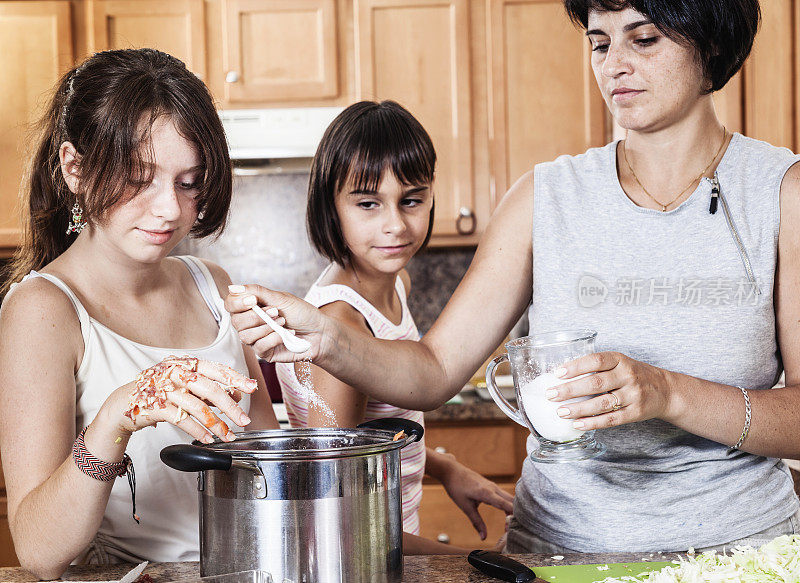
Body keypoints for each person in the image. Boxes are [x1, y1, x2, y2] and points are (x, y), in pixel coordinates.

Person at [225, 0, 800, 554]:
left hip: (741, 553)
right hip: (561, 553)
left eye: (643, 39)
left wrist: (669, 393)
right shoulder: (543, 198)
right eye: (599, 43)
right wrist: (328, 340)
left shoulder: (781, 195)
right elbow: (433, 370)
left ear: (714, 44)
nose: (613, 64)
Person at [0, 48, 279, 579]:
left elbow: (266, 464)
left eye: (189, 181)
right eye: (139, 177)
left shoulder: (211, 284)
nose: (171, 209)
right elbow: (37, 550)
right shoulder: (42, 310)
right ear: (74, 168)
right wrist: (115, 418)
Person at [250, 100, 514, 554]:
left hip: (391, 538)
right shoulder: (340, 322)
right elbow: (338, 521)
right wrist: (477, 562)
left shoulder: (395, 284)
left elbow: (371, 439)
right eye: (368, 204)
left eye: (412, 200)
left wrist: (444, 468)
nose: (396, 224)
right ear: (330, 206)